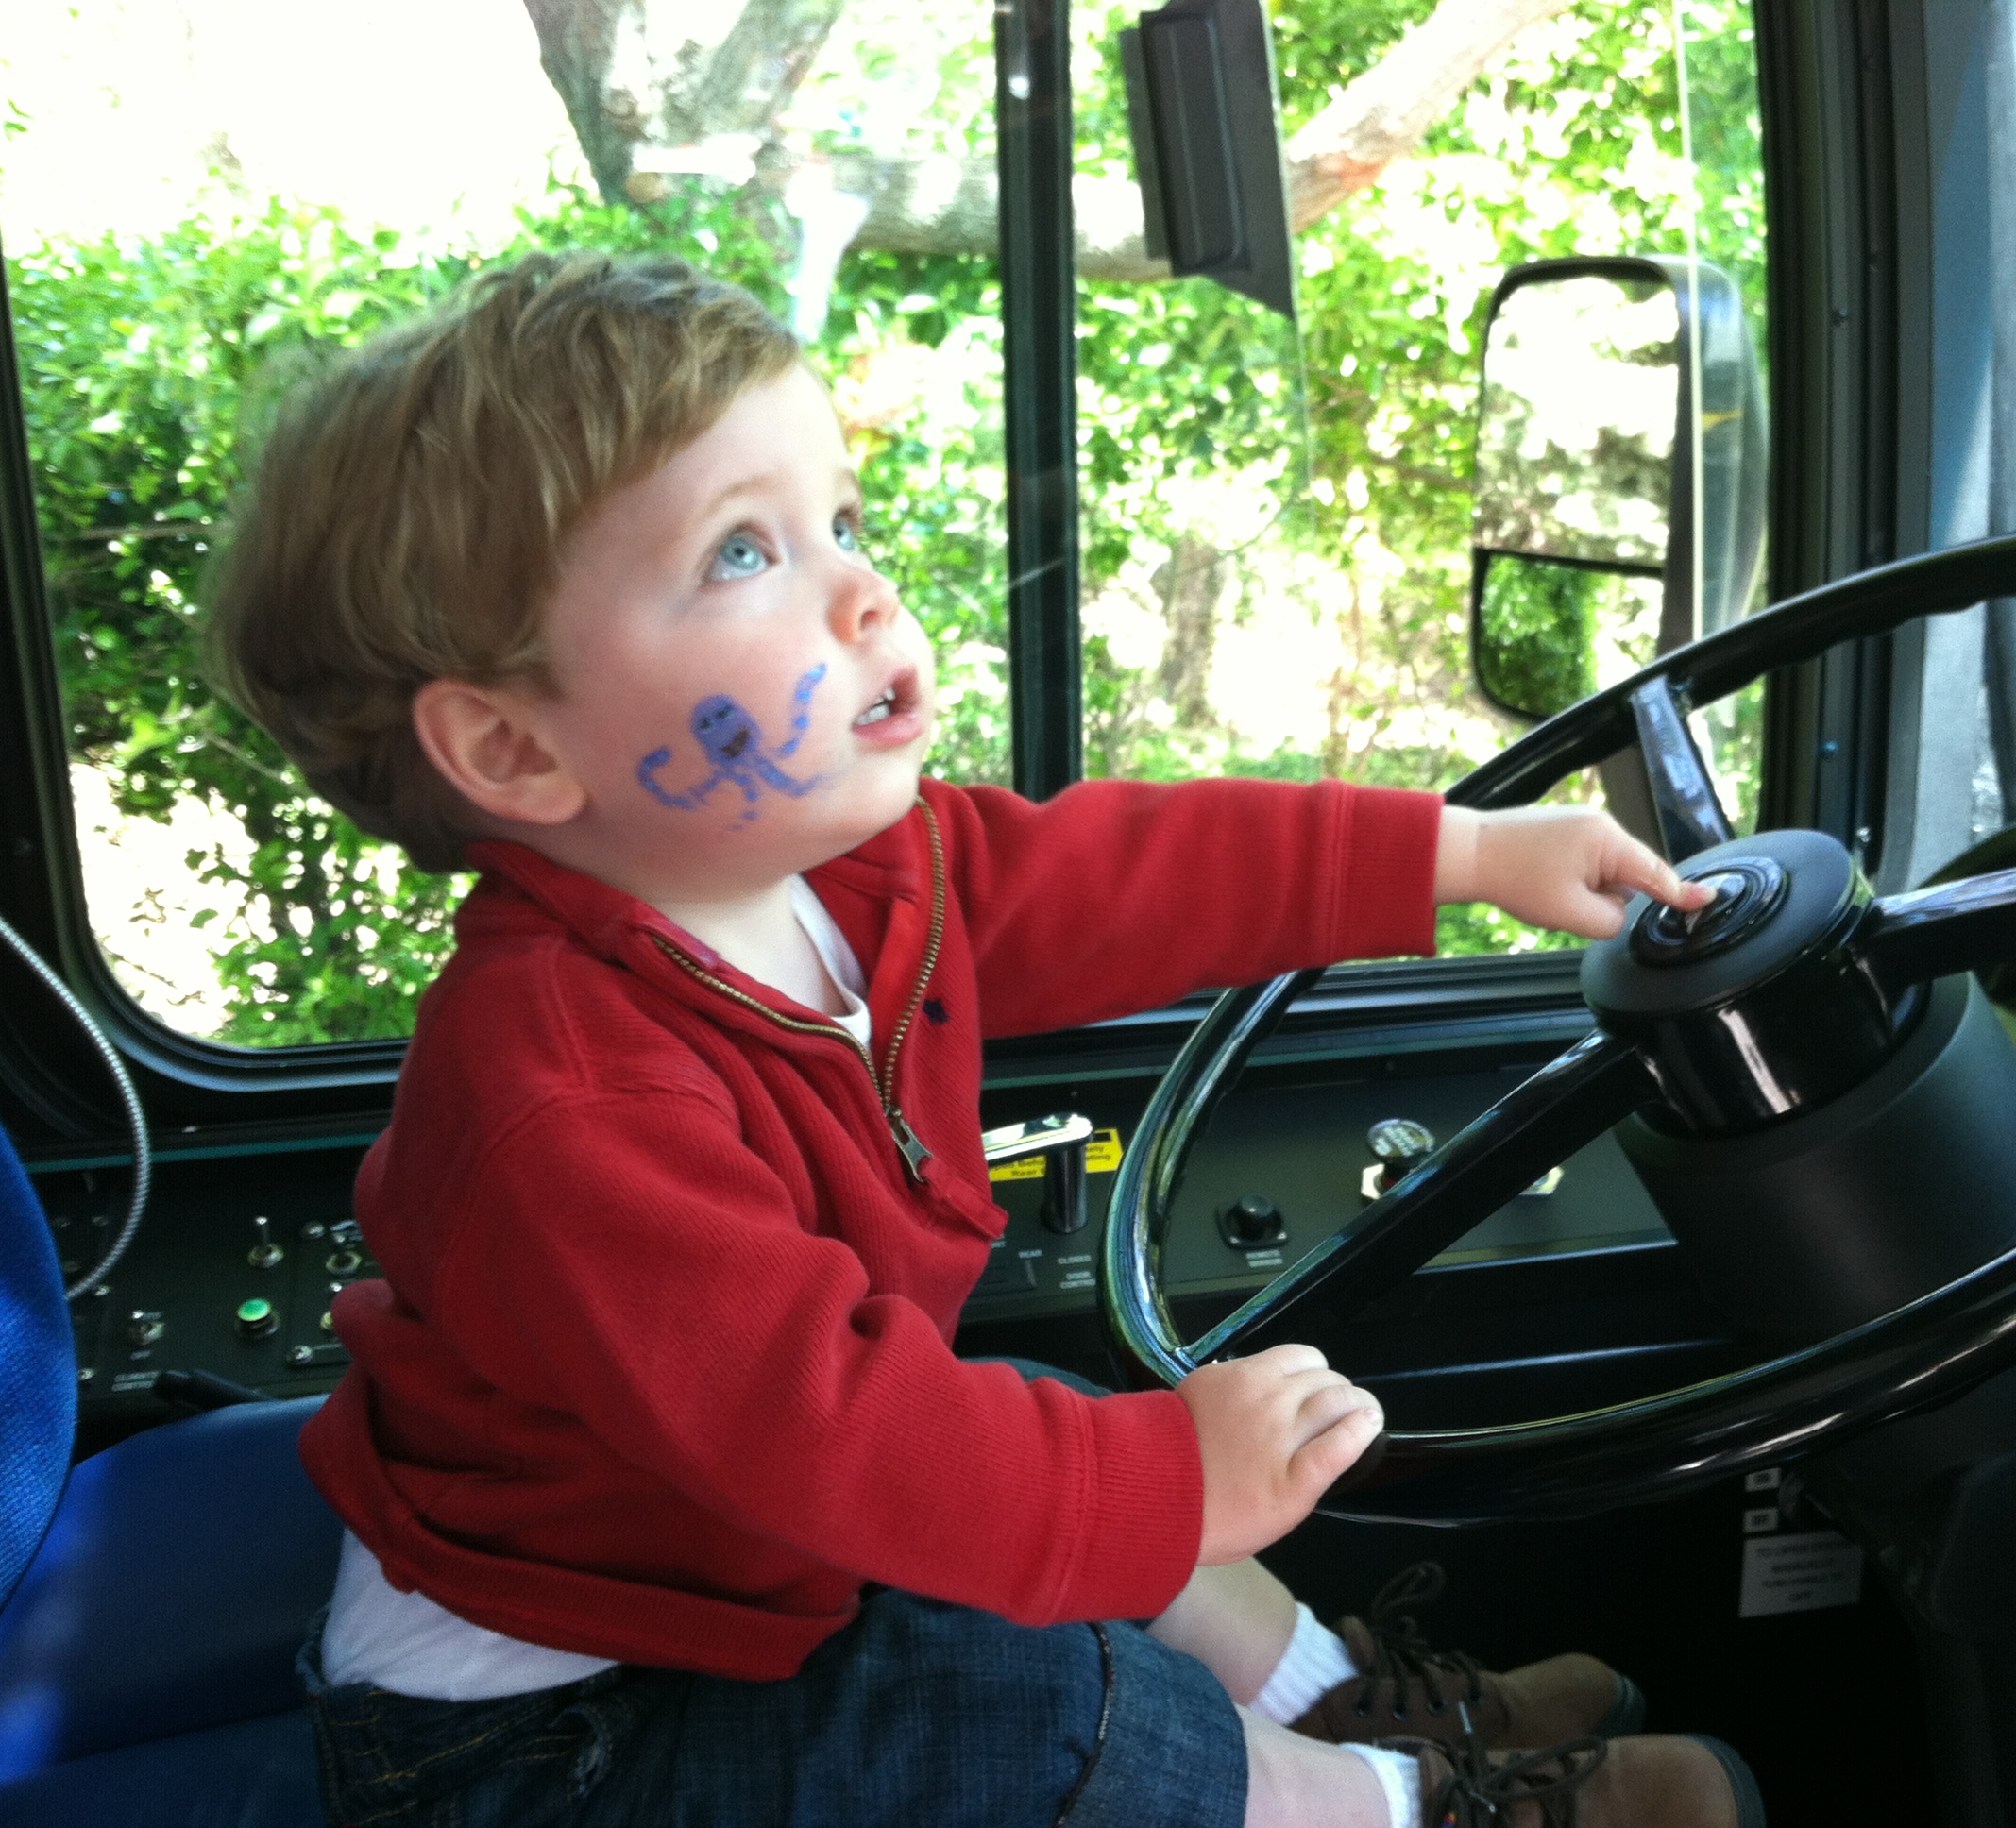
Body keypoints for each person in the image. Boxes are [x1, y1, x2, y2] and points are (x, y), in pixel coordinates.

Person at [205, 249, 1764, 1828]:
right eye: (745, 551)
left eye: (844, 525)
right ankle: (1417, 1811)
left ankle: (1341, 1702)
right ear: (512, 747)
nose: (865, 592)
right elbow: (830, 1430)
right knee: (1036, 1700)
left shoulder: (846, 879)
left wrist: (1465, 855)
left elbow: (1127, 874)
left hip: (726, 1568)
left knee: (1037, 1427)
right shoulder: (561, 1102)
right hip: (548, 1739)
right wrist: (1170, 1481)